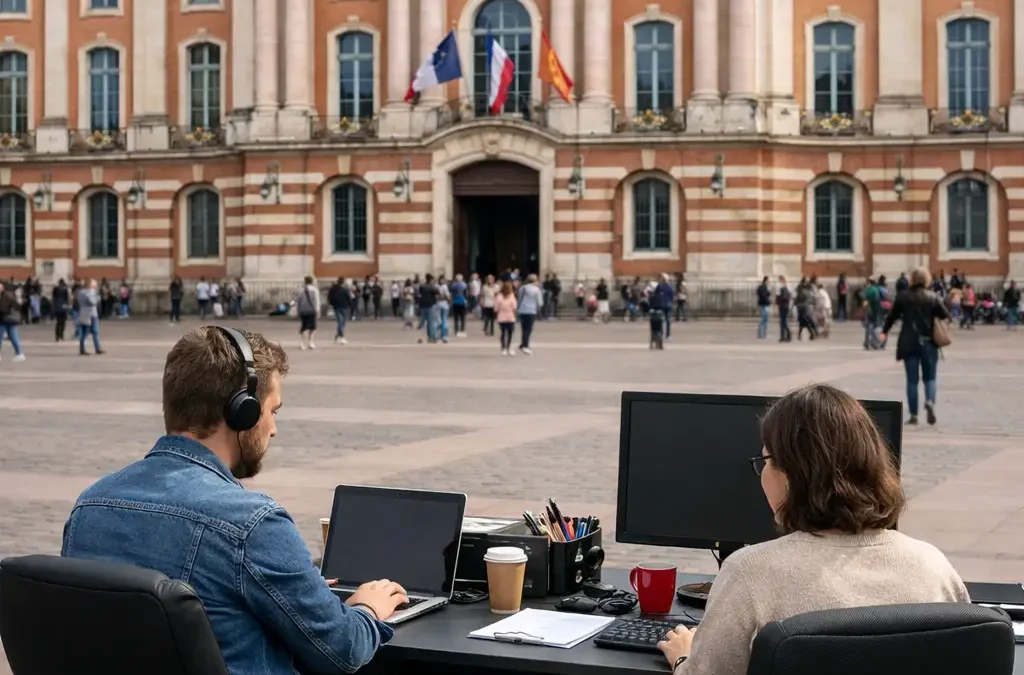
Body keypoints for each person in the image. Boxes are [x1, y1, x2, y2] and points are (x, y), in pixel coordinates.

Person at [62, 327, 406, 674]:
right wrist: (367, 608)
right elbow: (343, 649)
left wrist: (298, 585)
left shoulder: (88, 507)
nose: (273, 428)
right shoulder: (252, 524)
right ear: (243, 411)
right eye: (273, 411)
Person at [657, 384, 970, 675]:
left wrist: (684, 656)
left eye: (765, 458)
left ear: (793, 474)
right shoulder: (933, 567)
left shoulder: (750, 572)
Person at [880, 267, 950, 427]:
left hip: (908, 342)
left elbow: (891, 317)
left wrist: (884, 332)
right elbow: (945, 315)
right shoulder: (932, 297)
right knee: (930, 378)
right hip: (929, 343)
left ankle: (913, 415)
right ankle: (930, 401)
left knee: (912, 381)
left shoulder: (903, 296)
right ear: (927, 279)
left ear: (912, 279)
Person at [76, 279, 104, 356]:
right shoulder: (88, 293)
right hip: (90, 314)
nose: (95, 286)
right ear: (90, 285)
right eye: (94, 285)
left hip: (86, 313)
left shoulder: (81, 292)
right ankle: (95, 348)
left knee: (88, 332)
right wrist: (97, 298)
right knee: (91, 332)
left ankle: (86, 348)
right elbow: (93, 302)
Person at [517, 274, 543, 355]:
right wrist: (539, 312)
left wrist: (518, 308)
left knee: (524, 328)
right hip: (531, 311)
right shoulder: (536, 290)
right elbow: (540, 302)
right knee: (528, 329)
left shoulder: (523, 288)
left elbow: (519, 299)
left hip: (522, 310)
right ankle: (525, 345)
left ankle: (523, 344)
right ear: (535, 281)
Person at [0, 279, 26, 361]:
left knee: (3, 337)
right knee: (13, 337)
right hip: (11, 319)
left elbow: (3, 309)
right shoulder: (11, 294)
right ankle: (19, 353)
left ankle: (19, 354)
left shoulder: (6, 296)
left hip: (5, 319)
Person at [296, 276, 320, 350]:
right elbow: (317, 301)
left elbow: (298, 302)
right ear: (312, 282)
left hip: (303, 310)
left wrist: (298, 311)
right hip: (312, 310)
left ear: (305, 281)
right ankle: (310, 342)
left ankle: (302, 342)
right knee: (313, 327)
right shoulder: (315, 290)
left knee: (304, 326)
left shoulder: (300, 290)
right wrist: (318, 311)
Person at [494, 281, 518, 356]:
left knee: (503, 333)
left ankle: (503, 348)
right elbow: (514, 307)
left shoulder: (499, 296)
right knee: (510, 333)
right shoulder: (512, 295)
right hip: (510, 316)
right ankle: (509, 348)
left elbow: (496, 308)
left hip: (501, 317)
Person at [328, 277, 353, 345]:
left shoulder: (333, 289)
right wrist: (351, 306)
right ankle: (342, 337)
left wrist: (331, 304)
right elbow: (349, 298)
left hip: (336, 307)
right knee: (342, 323)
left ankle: (337, 336)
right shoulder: (345, 290)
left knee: (340, 322)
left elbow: (329, 297)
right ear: (343, 282)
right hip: (344, 307)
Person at [417, 274, 439, 344]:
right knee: (431, 322)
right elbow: (437, 292)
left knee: (422, 322)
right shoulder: (432, 287)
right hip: (430, 305)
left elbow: (420, 292)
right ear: (431, 279)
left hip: (423, 305)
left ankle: (421, 337)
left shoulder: (422, 286)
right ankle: (432, 337)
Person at [775, 276, 791, 342]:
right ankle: (785, 336)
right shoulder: (787, 288)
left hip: (782, 306)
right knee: (783, 322)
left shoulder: (781, 288)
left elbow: (779, 297)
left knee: (782, 322)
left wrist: (777, 300)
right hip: (785, 306)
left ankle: (785, 336)